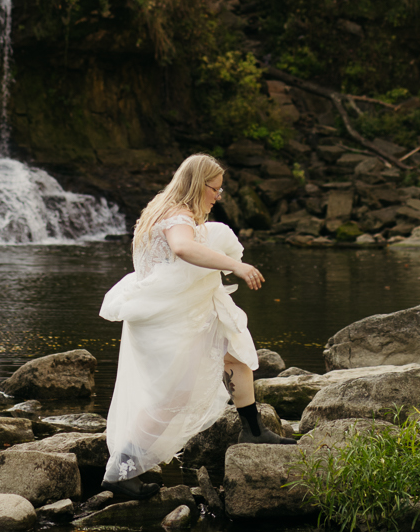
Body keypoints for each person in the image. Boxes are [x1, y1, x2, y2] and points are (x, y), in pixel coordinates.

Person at [99, 153, 294, 499]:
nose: (218, 196)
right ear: (197, 183)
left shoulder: (161, 206)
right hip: (170, 319)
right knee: (172, 395)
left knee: (236, 352)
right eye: (215, 189)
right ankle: (121, 471)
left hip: (178, 310)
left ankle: (253, 430)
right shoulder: (177, 215)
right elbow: (183, 247)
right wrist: (235, 265)